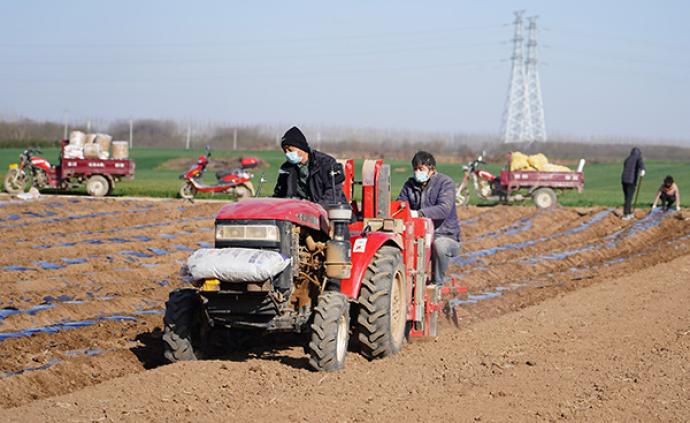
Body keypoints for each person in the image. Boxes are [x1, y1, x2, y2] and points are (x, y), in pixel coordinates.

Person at [398, 151, 460, 285]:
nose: (417, 172)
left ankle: (437, 284)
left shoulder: (445, 183)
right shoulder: (410, 185)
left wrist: (419, 213)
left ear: (432, 169)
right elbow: (400, 205)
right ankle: (408, 283)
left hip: (444, 234)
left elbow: (444, 208)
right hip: (418, 234)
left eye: (421, 169)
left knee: (440, 245)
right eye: (415, 169)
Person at [273, 126, 347, 207]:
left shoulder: (327, 164)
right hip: (299, 213)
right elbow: (279, 195)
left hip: (329, 211)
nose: (287, 154)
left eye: (290, 150)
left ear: (301, 147)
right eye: (285, 151)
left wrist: (315, 208)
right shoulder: (286, 169)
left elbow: (333, 194)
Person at [621, 147, 646, 220]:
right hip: (631, 181)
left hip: (623, 180)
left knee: (626, 197)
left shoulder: (627, 159)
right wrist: (643, 170)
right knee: (629, 198)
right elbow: (641, 164)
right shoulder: (638, 158)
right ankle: (626, 214)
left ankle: (628, 212)